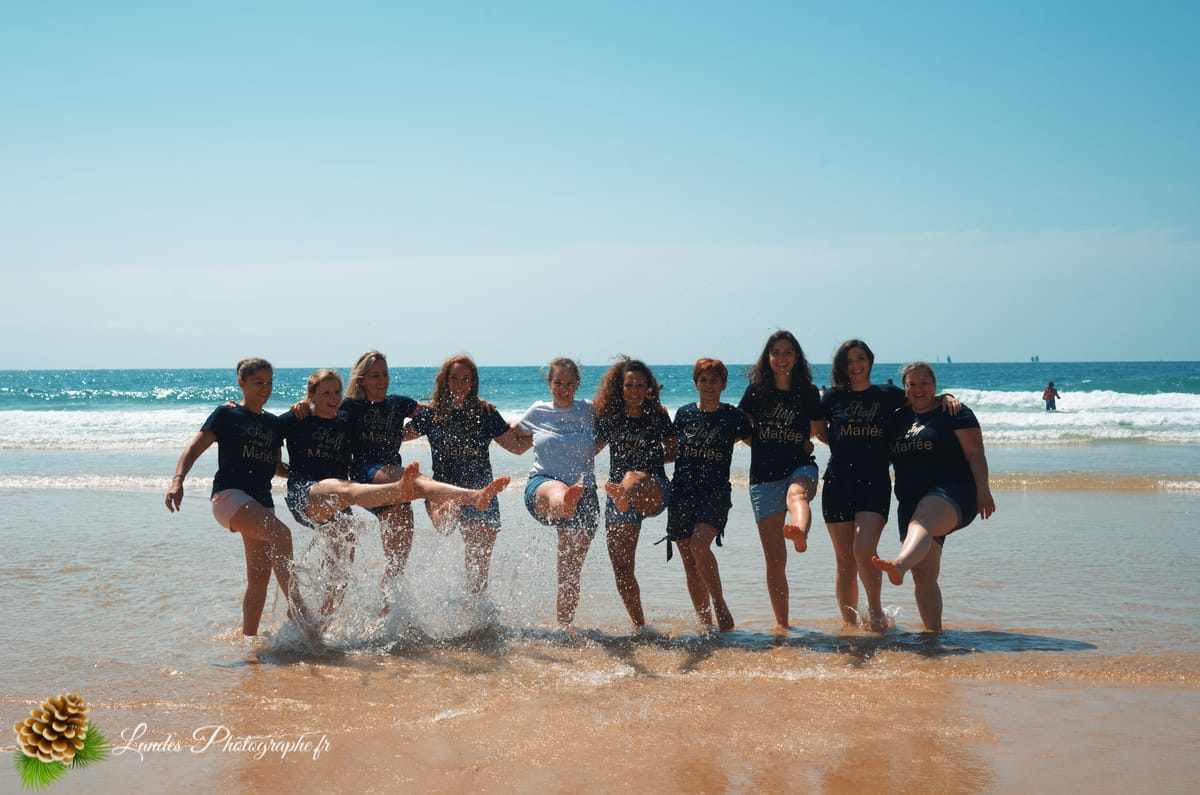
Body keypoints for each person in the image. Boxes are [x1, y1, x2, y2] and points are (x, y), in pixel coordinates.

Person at [280, 369, 509, 611]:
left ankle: (346, 625)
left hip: (367, 489)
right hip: (346, 482)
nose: (333, 397)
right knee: (399, 485)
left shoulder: (370, 412)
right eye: (325, 392)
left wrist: (471, 401)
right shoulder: (336, 411)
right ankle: (472, 496)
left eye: (336, 391)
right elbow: (268, 430)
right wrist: (301, 407)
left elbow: (434, 410)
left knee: (365, 568)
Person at [165, 358, 321, 644]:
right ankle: (299, 610)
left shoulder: (273, 424)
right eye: (258, 382)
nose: (265, 388)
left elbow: (277, 466)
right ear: (242, 383)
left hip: (260, 502)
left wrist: (311, 478)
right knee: (281, 533)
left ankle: (248, 641)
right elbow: (194, 447)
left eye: (270, 382)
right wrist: (178, 480)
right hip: (229, 496)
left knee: (259, 578)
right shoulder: (227, 414)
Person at [817, 340, 961, 632]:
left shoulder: (888, 395)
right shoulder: (832, 398)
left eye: (860, 358)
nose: (855, 364)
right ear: (842, 366)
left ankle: (874, 611)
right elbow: (820, 433)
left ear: (870, 361)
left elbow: (921, 399)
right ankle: (850, 625)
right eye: (849, 360)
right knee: (844, 562)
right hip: (836, 484)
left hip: (874, 484)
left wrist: (946, 395)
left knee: (863, 550)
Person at [873, 362, 996, 632]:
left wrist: (983, 490)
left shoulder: (954, 412)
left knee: (924, 520)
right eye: (912, 384)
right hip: (910, 499)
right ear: (904, 388)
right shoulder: (897, 419)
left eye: (924, 383)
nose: (918, 390)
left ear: (935, 385)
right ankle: (933, 635)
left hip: (954, 491)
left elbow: (975, 453)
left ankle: (899, 564)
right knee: (924, 574)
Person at [403, 356, 528, 594]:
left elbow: (516, 447)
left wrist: (546, 429)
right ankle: (450, 508)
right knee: (446, 519)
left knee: (478, 564)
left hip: (480, 487)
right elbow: (397, 436)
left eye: (465, 379)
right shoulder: (432, 415)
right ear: (444, 380)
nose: (459, 384)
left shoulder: (486, 413)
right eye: (454, 378)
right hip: (443, 487)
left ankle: (474, 617)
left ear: (473, 382)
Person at [499, 357, 599, 626]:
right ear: (549, 383)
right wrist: (488, 422)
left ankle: (564, 629)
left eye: (569, 383)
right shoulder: (538, 411)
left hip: (585, 494)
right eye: (558, 383)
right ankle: (565, 502)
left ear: (578, 384)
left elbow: (611, 430)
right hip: (542, 484)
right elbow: (514, 441)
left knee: (569, 572)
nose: (564, 389)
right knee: (558, 490)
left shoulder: (590, 410)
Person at [738, 331, 824, 632]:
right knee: (775, 560)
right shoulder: (756, 391)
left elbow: (816, 428)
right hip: (763, 477)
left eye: (788, 352)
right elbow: (741, 426)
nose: (782, 358)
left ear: (796, 357)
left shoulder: (809, 392)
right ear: (768, 357)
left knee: (797, 496)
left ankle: (799, 530)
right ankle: (783, 624)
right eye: (776, 352)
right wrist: (762, 444)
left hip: (800, 467)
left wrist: (800, 444)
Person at [667, 358, 751, 631]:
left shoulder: (732, 416)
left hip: (714, 493)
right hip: (681, 493)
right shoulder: (683, 414)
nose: (709, 385)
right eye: (703, 380)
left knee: (699, 546)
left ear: (724, 384)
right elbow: (670, 451)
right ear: (695, 384)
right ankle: (705, 625)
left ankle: (719, 602)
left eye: (715, 380)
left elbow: (759, 444)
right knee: (690, 564)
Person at [593, 357, 675, 629]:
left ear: (649, 387)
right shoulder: (610, 416)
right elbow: (591, 449)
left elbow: (674, 450)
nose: (635, 391)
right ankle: (641, 626)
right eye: (629, 385)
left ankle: (624, 492)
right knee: (622, 569)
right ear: (620, 387)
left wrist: (651, 460)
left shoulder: (657, 414)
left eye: (641, 385)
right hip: (618, 497)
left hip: (654, 489)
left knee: (631, 477)